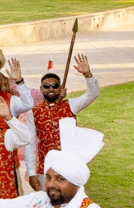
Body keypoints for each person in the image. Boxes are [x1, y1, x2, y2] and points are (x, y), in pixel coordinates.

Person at [26, 55, 101, 191]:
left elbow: (93, 94)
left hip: (69, 168)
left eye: (55, 86)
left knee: (71, 202)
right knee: (47, 202)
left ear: (60, 88)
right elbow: (30, 144)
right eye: (47, 86)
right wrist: (31, 174)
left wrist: (87, 74)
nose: (51, 89)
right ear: (41, 89)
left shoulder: (71, 105)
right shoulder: (34, 112)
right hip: (46, 169)